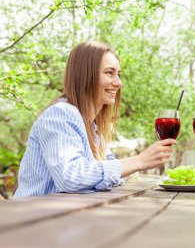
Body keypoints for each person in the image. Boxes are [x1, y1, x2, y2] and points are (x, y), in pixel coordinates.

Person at [14, 41, 176, 198]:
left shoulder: (91, 126)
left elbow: (114, 173)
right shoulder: (60, 114)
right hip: (32, 220)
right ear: (85, 76)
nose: (118, 83)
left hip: (64, 217)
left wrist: (113, 172)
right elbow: (70, 177)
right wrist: (139, 161)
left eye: (118, 74)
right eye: (109, 73)